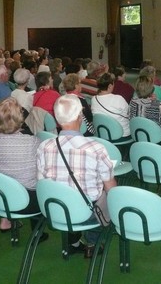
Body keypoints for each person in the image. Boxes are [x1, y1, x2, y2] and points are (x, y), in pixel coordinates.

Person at [37, 94, 116, 257]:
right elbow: (111, 189)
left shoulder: (44, 146)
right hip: (88, 215)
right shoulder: (96, 147)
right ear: (80, 116)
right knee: (108, 192)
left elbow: (41, 181)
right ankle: (93, 242)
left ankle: (73, 241)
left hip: (56, 209)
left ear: (57, 119)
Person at [0, 98, 48, 240]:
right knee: (39, 182)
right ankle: (37, 232)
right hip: (28, 202)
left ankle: (8, 220)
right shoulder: (32, 142)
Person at [129, 75, 161, 144]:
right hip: (157, 138)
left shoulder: (132, 102)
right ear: (152, 89)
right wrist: (156, 100)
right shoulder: (160, 105)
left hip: (138, 135)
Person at [91, 73, 130, 137]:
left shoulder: (93, 99)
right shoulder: (118, 99)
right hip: (122, 134)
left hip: (103, 133)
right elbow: (128, 113)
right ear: (110, 86)